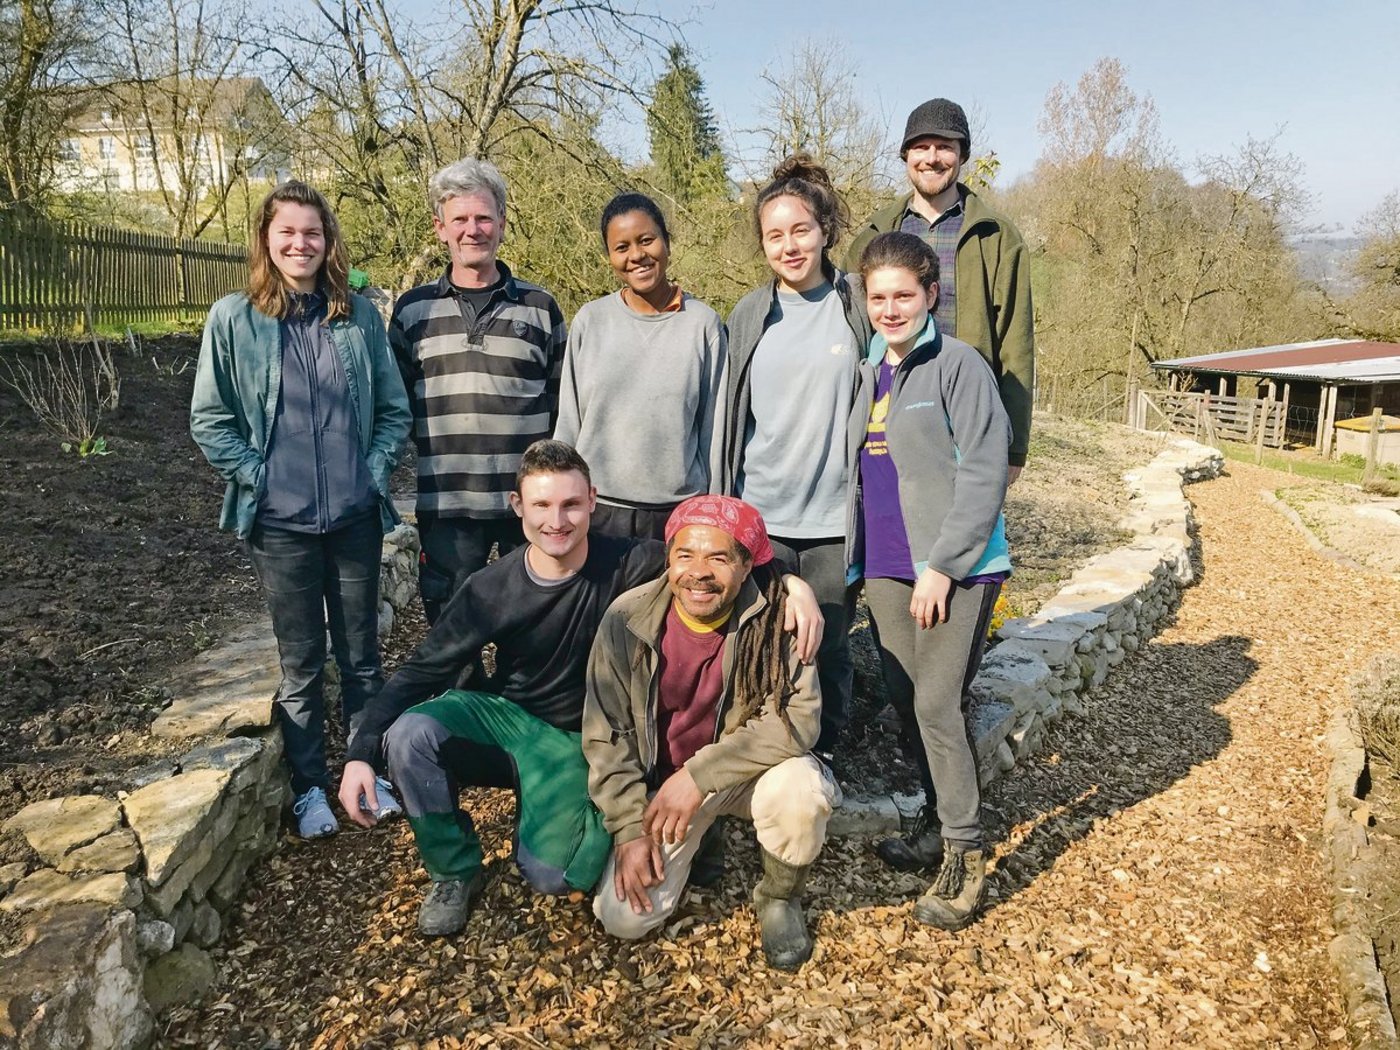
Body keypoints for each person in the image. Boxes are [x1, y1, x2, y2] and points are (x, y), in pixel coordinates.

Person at [338, 441, 823, 937]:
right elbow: (422, 670)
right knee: (410, 734)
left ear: (592, 500)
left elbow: (721, 557)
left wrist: (791, 586)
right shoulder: (490, 589)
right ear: (517, 506)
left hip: (581, 739)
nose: (557, 520)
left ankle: (670, 833)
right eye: (542, 505)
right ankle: (453, 870)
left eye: (570, 504)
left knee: (556, 875)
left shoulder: (632, 562)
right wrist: (361, 753)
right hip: (511, 719)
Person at [190, 180, 412, 840]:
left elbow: (394, 410)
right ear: (266, 239)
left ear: (328, 241)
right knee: (302, 664)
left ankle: (367, 769)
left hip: (353, 518)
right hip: (280, 525)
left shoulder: (357, 317)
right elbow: (210, 419)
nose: (300, 243)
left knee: (363, 657)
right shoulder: (235, 318)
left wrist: (371, 473)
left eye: (312, 232)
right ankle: (311, 789)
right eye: (287, 231)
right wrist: (259, 475)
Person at [584, 496, 839, 971]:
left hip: (739, 774)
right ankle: (704, 838)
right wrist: (626, 829)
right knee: (623, 919)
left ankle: (781, 898)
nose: (698, 572)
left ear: (746, 566)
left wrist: (698, 776)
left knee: (801, 790)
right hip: (664, 783)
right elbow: (607, 734)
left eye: (719, 558)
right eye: (685, 555)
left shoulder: (779, 618)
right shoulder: (627, 619)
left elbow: (799, 718)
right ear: (669, 559)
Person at [847, 232, 1011, 930]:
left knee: (939, 704)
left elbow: (983, 470)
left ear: (930, 295)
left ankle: (966, 855)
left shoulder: (959, 366)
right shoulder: (867, 373)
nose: (890, 308)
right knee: (907, 701)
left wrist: (943, 566)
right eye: (877, 297)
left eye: (903, 296)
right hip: (885, 567)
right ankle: (933, 821)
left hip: (956, 568)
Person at [722, 154, 871, 760]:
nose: (789, 246)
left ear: (826, 230)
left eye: (801, 230)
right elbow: (730, 418)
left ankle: (826, 749)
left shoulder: (856, 303)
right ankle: (760, 750)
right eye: (774, 235)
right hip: (765, 512)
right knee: (759, 636)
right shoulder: (750, 314)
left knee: (829, 640)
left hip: (835, 517)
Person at [388, 157, 568, 624]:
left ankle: (518, 700)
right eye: (460, 219)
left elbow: (560, 403)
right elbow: (399, 404)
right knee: (451, 626)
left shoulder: (540, 307)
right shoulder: (413, 312)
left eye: (484, 217)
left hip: (526, 504)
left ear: (503, 224)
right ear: (439, 228)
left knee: (531, 623)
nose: (473, 230)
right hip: (447, 502)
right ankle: (460, 699)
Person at [845, 98, 1034, 484]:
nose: (932, 157)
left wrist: (1014, 446)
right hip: (888, 417)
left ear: (962, 154)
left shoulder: (996, 236)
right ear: (905, 155)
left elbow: (1017, 343)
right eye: (921, 146)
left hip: (965, 422)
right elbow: (853, 337)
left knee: (966, 537)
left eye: (945, 146)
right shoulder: (873, 236)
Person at [554, 192, 727, 540]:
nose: (637, 255)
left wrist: (714, 511)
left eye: (647, 240)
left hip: (677, 514)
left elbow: (715, 430)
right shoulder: (591, 321)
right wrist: (561, 501)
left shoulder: (703, 325)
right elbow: (569, 422)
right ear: (609, 257)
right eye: (622, 247)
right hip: (597, 509)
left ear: (667, 242)